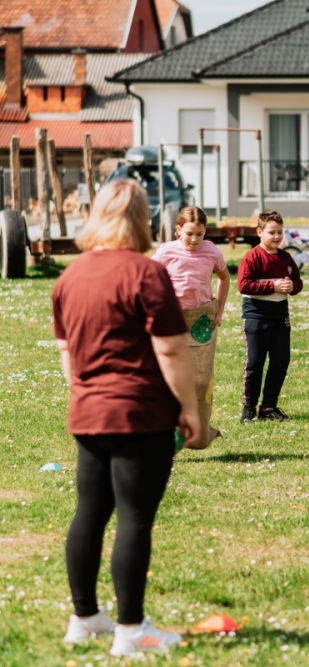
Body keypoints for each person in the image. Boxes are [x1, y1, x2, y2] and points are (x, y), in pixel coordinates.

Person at [52, 179, 199, 656]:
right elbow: (172, 348)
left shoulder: (68, 276)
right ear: (141, 218)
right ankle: (131, 631)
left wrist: (83, 394)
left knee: (89, 513)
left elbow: (66, 353)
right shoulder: (145, 272)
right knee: (134, 518)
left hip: (89, 412)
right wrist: (189, 408)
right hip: (140, 414)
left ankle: (84, 618)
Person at [152, 206, 230, 447]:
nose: (195, 239)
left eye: (200, 234)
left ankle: (198, 434)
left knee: (201, 380)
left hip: (202, 320)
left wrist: (220, 309)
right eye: (189, 234)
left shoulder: (212, 252)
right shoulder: (167, 252)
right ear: (178, 231)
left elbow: (225, 278)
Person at [237, 210, 302, 423]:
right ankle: (249, 409)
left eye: (280, 232)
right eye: (271, 232)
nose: (276, 236)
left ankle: (269, 407)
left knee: (280, 360)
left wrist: (292, 286)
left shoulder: (285, 257)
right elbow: (243, 285)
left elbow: (297, 283)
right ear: (259, 232)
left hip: (280, 316)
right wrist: (272, 285)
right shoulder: (252, 257)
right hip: (256, 316)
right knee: (255, 363)